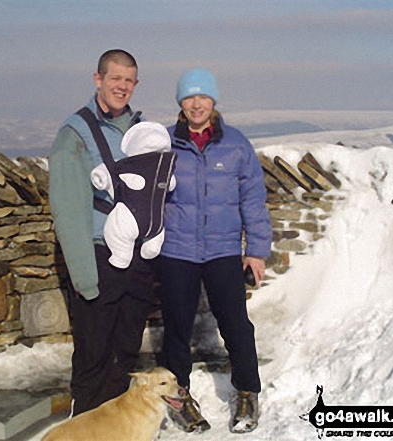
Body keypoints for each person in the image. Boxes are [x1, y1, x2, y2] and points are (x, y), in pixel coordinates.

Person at [158, 68, 272, 434]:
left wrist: (256, 249)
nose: (196, 104)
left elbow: (252, 198)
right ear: (180, 103)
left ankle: (247, 391)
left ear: (213, 101)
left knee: (236, 325)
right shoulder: (163, 143)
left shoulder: (235, 144)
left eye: (202, 97)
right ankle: (179, 395)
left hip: (223, 249)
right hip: (176, 249)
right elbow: (146, 195)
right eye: (189, 98)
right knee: (176, 327)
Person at [48, 49, 157, 416]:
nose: (121, 87)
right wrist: (84, 277)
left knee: (125, 354)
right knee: (93, 356)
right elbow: (68, 209)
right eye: (115, 79)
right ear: (98, 80)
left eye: (129, 81)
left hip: (138, 259)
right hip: (98, 257)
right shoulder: (74, 134)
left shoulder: (142, 131)